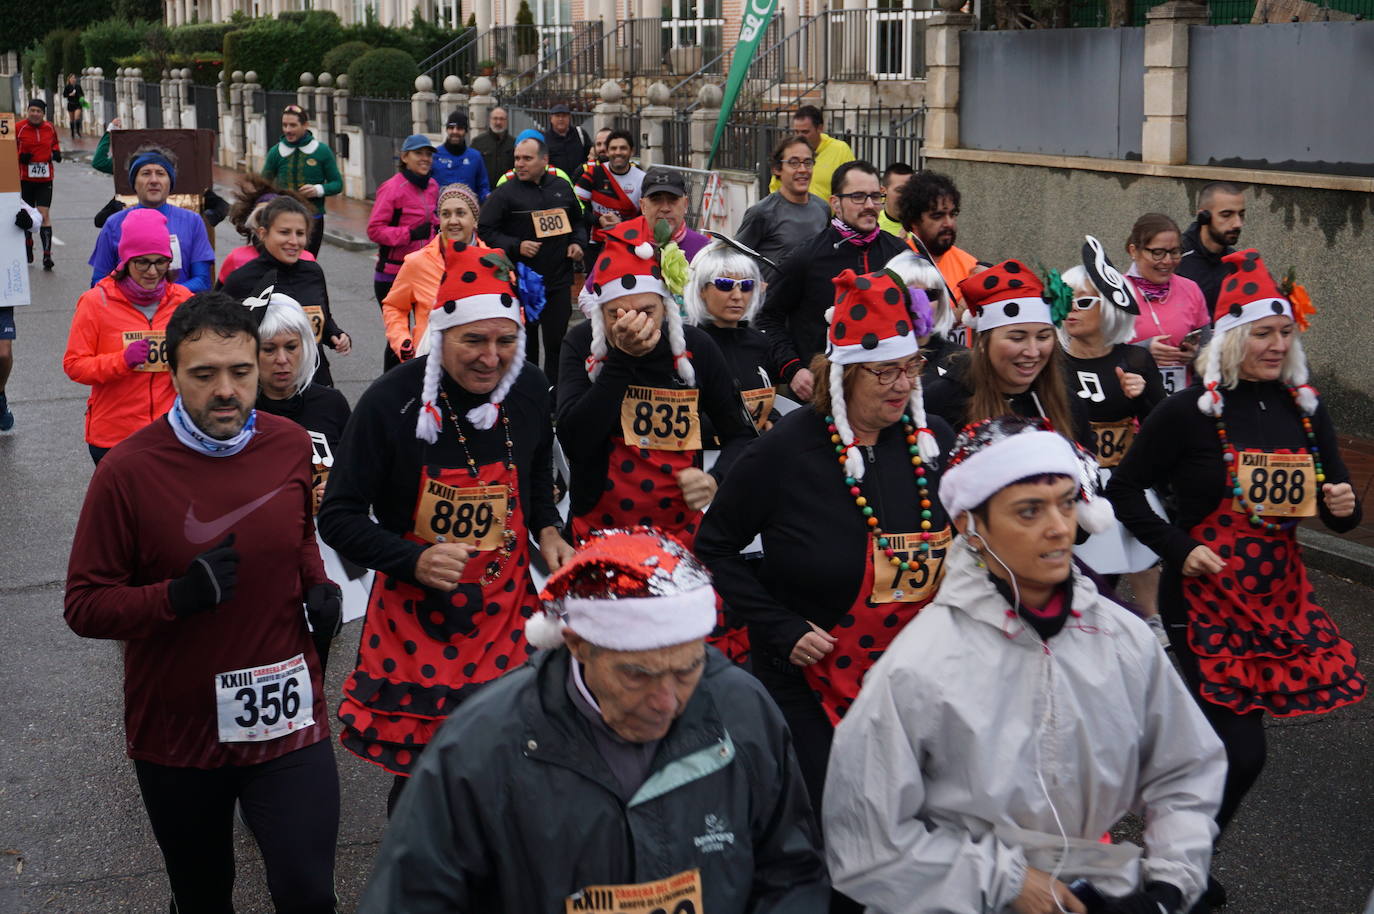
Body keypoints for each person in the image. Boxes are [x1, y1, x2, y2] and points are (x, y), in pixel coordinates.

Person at [824, 415, 1226, 914]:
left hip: (1100, 891)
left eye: (1066, 502)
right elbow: (865, 838)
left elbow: (1186, 768)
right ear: (971, 526)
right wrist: (1006, 882)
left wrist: (1167, 887)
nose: (1059, 527)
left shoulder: (1120, 638)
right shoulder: (920, 665)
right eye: (1029, 511)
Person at [358, 528, 830, 913]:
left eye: (688, 669)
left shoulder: (742, 708)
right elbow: (411, 896)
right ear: (577, 644)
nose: (666, 701)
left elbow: (792, 872)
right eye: (637, 674)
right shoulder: (482, 744)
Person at [65, 292, 342, 914]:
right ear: (172, 373)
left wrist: (316, 583)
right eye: (204, 374)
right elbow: (84, 605)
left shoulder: (290, 443)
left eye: (240, 372)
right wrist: (176, 599)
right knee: (202, 897)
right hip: (180, 731)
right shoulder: (128, 471)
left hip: (287, 715)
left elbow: (299, 534)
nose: (226, 390)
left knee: (308, 892)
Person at [1106, 250, 1364, 910]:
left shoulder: (1305, 410)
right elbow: (1126, 488)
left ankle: (1183, 859)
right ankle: (1176, 865)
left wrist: (1345, 507)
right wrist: (1178, 546)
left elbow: (1338, 501)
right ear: (1232, 339)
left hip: (1277, 599)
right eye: (1263, 334)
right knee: (1240, 751)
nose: (1277, 346)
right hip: (1202, 598)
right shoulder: (1190, 411)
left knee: (1218, 750)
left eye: (1285, 334)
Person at [696, 269, 953, 874]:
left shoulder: (932, 441)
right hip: (811, 676)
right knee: (834, 833)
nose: (901, 385)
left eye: (910, 369)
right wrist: (779, 626)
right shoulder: (787, 449)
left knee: (917, 828)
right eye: (884, 372)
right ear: (843, 374)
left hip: (911, 673)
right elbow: (715, 545)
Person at [320, 241, 572, 812]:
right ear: (440, 335)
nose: (491, 358)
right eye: (474, 341)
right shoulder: (391, 402)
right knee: (427, 780)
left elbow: (535, 480)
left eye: (506, 340)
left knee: (513, 763)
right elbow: (338, 515)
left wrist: (550, 531)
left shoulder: (529, 386)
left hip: (506, 610)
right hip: (418, 618)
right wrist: (412, 559)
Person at [557, 216, 756, 548]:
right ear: (599, 314)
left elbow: (742, 435)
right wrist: (621, 360)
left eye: (646, 312)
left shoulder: (697, 347)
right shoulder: (580, 344)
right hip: (598, 531)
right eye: (616, 315)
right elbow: (574, 440)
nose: (634, 325)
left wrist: (714, 480)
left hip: (680, 535)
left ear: (666, 307)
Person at [1059, 236, 1168, 623]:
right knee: (1086, 562)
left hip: (1125, 475)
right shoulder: (1052, 360)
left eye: (1084, 301)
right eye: (1065, 298)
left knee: (1140, 552)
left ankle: (1154, 622)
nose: (1072, 308)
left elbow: (1163, 421)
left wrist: (1140, 397)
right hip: (1073, 479)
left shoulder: (1134, 357)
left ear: (1109, 307)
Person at [252, 292, 352, 670]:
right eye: (269, 349)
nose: (282, 360)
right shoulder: (240, 410)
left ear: (307, 347)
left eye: (291, 347)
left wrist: (340, 489)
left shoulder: (331, 403)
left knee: (320, 643)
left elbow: (356, 467)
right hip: (265, 552)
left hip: (327, 551)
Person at [757, 160, 905, 402]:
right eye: (858, 197)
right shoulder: (806, 256)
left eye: (875, 196)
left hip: (883, 393)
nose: (869, 205)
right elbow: (768, 317)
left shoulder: (899, 254)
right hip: (822, 395)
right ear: (835, 203)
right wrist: (793, 369)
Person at [63, 208, 195, 464]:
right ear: (125, 261)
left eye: (160, 261)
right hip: (114, 437)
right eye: (142, 262)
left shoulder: (183, 301)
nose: (152, 271)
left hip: (170, 433)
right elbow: (74, 365)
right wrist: (122, 361)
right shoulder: (96, 301)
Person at [924, 260, 1094, 449]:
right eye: (1017, 338)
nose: (1032, 352)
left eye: (1043, 336)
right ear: (982, 342)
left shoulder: (1067, 404)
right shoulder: (942, 401)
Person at [479, 136, 586, 380]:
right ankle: (528, 396)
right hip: (522, 283)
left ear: (544, 160)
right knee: (525, 349)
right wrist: (517, 246)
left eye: (527, 158)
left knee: (557, 343)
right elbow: (485, 229)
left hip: (558, 280)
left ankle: (555, 399)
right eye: (517, 158)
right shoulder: (505, 193)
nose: (520, 164)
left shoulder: (561, 186)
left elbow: (578, 221)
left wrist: (576, 243)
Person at [223, 196, 351, 386]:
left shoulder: (313, 272)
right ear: (262, 233)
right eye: (284, 232)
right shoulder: (241, 280)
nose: (294, 241)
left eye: (300, 233)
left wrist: (336, 335)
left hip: (315, 382)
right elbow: (223, 335)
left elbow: (323, 317)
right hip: (265, 391)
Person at [683, 240, 781, 438]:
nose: (737, 296)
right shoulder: (687, 343)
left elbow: (767, 403)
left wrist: (772, 422)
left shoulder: (760, 343)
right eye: (725, 284)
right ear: (701, 290)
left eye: (746, 286)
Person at [382, 182, 487, 365]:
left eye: (461, 213)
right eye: (446, 214)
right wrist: (403, 342)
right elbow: (394, 306)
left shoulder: (493, 262)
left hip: (481, 363)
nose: (453, 221)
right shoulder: (417, 262)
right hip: (430, 362)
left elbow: (513, 311)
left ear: (475, 219)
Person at [90, 146, 216, 293]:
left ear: (170, 182)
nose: (154, 180)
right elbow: (98, 283)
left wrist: (162, 296)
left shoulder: (192, 221)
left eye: (161, 173)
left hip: (179, 312)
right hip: (129, 312)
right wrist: (135, 298)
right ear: (134, 182)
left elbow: (202, 281)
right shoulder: (114, 224)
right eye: (146, 173)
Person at [368, 134, 440, 371]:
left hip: (422, 274)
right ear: (405, 157)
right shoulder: (392, 188)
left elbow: (432, 222)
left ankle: (418, 383)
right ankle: (390, 388)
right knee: (398, 338)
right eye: (419, 153)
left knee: (423, 331)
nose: (425, 159)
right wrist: (409, 234)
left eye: (428, 154)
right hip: (392, 274)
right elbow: (375, 230)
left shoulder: (432, 186)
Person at [1123, 213, 1212, 398]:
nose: (1167, 261)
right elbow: (1098, 353)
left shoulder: (1191, 290)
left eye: (1175, 251)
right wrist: (1144, 353)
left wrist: (1194, 355)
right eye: (1158, 252)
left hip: (1180, 408)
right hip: (1131, 410)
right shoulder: (1116, 292)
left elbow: (1210, 352)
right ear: (1134, 251)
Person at [734, 134, 831, 282]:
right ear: (777, 169)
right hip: (771, 302)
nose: (803, 169)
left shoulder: (823, 208)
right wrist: (756, 285)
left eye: (808, 162)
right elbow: (733, 259)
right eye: (794, 163)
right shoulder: (761, 213)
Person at [261, 104, 343, 257]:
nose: (287, 130)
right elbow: (262, 185)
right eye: (284, 125)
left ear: (305, 125)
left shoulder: (322, 151)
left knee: (307, 263)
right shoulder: (275, 152)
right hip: (282, 219)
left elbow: (337, 184)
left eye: (293, 125)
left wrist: (318, 190)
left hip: (313, 219)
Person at [895, 170, 979, 309]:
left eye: (952, 214)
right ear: (914, 221)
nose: (949, 223)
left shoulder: (971, 266)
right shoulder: (898, 268)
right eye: (937, 216)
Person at [218, 174, 316, 286]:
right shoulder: (236, 258)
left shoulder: (308, 261)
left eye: (299, 233)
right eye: (261, 216)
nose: (293, 241)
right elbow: (218, 299)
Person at [883, 237, 963, 372]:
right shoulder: (871, 359)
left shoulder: (961, 361)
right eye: (911, 295)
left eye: (930, 295)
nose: (921, 303)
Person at [0, 201, 41, 431]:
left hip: (1, 288)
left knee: (3, 354)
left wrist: (26, 220)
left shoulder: (3, 190)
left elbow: (35, 218)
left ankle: (0, 395)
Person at [1177, 182, 1246, 310]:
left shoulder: (1237, 263)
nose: (1237, 223)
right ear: (1204, 217)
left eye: (1241, 214)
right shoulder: (1175, 257)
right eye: (1226, 215)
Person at [574, 128, 645, 246]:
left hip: (630, 242)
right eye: (613, 148)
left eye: (623, 148)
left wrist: (623, 222)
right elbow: (575, 206)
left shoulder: (642, 177)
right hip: (596, 243)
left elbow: (647, 215)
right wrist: (597, 220)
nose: (618, 152)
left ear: (632, 151)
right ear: (607, 151)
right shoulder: (592, 173)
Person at [768, 105, 855, 199]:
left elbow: (852, 186)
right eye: (796, 132)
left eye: (805, 132)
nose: (800, 137)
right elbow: (775, 187)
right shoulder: (789, 151)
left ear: (820, 128)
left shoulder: (840, 150)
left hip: (828, 212)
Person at [16, 99, 60, 271]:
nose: (35, 114)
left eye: (38, 111)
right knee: (27, 215)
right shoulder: (19, 128)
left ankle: (47, 255)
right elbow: (7, 149)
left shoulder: (49, 127)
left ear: (43, 114)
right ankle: (28, 245)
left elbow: (54, 142)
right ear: (28, 111)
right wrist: (19, 157)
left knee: (43, 215)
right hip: (25, 179)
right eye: (32, 110)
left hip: (45, 180)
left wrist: (56, 152)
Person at [431, 110, 491, 202]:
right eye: (451, 127)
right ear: (447, 129)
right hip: (440, 212)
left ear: (465, 131)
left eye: (459, 128)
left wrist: (487, 196)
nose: (455, 131)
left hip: (467, 212)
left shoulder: (475, 157)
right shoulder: (435, 155)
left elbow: (483, 187)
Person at [471, 105, 515, 190]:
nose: (498, 122)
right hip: (484, 193)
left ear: (507, 121)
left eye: (502, 119)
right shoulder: (478, 142)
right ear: (490, 120)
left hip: (508, 192)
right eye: (495, 118)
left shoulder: (514, 143)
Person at [544, 102, 591, 178]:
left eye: (564, 116)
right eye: (557, 116)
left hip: (581, 181)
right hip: (556, 182)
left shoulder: (580, 134)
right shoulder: (545, 138)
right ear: (551, 119)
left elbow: (590, 155)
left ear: (569, 118)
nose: (561, 119)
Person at [876, 162, 913, 237]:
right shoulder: (873, 225)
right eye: (900, 190)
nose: (906, 195)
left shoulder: (925, 223)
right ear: (883, 190)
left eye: (910, 190)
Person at [62, 74, 84, 139]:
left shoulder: (78, 86)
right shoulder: (67, 87)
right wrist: (70, 94)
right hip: (71, 104)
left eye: (74, 78)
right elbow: (64, 95)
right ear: (69, 79)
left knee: (77, 118)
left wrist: (81, 97)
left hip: (78, 104)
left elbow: (82, 94)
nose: (73, 79)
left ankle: (77, 131)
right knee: (72, 120)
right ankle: (72, 133)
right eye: (72, 78)